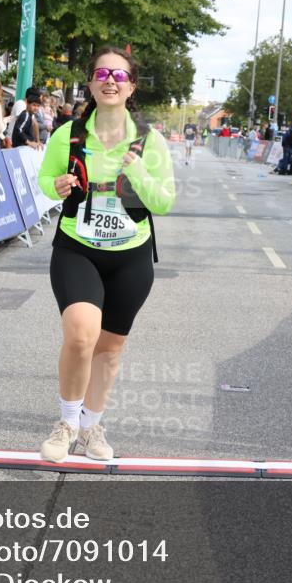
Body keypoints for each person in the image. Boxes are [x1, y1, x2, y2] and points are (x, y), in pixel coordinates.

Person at [35, 46, 175, 463]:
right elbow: (46, 176)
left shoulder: (150, 141)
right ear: (91, 83)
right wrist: (55, 186)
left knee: (110, 349)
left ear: (131, 86)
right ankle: (66, 424)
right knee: (81, 334)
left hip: (131, 254)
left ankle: (92, 425)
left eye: (119, 75)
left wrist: (136, 170)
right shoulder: (69, 134)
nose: (110, 81)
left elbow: (164, 202)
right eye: (102, 74)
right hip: (77, 246)